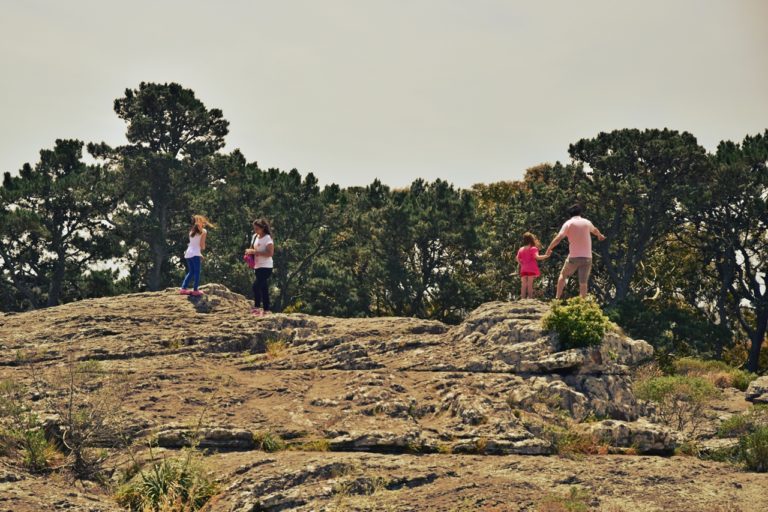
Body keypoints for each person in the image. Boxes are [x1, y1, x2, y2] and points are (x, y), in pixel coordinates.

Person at [545, 204, 606, 299]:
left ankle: (557, 298)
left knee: (563, 275)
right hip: (587, 257)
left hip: (574, 257)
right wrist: (600, 235)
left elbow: (558, 238)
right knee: (583, 283)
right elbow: (595, 230)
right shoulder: (586, 222)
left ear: (570, 214)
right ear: (580, 212)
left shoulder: (568, 223)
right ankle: (582, 305)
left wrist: (549, 248)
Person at [245, 218, 274, 316]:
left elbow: (270, 253)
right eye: (254, 228)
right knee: (264, 288)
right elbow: (253, 248)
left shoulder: (267, 238)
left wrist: (255, 252)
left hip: (266, 267)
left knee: (256, 286)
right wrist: (249, 252)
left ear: (263, 228)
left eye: (257, 228)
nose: (255, 230)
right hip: (257, 266)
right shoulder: (254, 236)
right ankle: (266, 309)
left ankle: (257, 307)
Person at [180, 215, 215, 296]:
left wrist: (200, 254)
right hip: (195, 254)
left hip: (188, 253)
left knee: (191, 272)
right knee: (197, 272)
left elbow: (193, 244)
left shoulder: (191, 231)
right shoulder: (204, 231)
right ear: (201, 222)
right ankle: (195, 290)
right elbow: (201, 245)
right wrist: (203, 248)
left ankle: (183, 288)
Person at [516, 232, 550, 299]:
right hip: (531, 268)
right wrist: (546, 256)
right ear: (531, 239)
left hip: (523, 269)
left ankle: (522, 298)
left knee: (523, 285)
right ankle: (530, 298)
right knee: (530, 284)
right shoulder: (533, 248)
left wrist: (521, 263)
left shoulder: (521, 249)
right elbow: (537, 257)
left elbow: (517, 258)